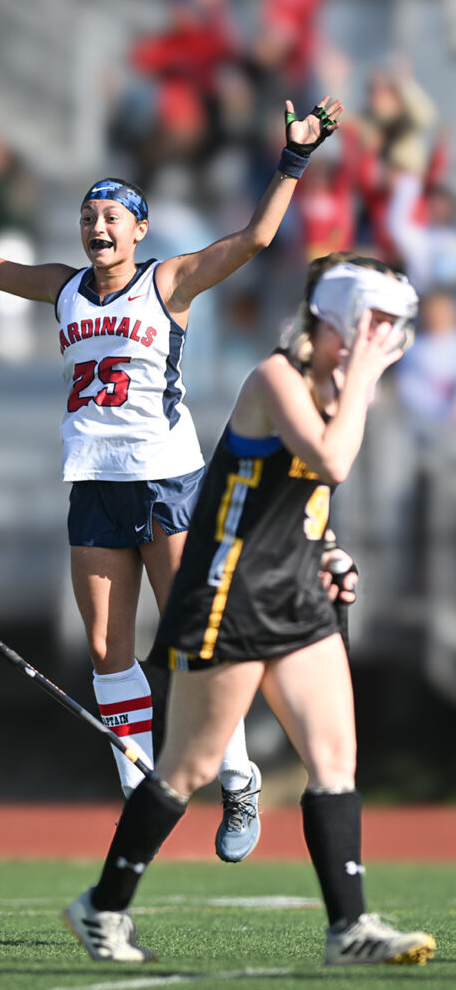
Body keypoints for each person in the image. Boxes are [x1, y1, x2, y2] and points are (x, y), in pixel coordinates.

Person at [0, 95, 342, 860]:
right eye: (87, 216)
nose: (97, 227)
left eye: (111, 216)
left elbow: (258, 236)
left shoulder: (167, 282)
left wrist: (294, 158)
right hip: (92, 480)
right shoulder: (64, 288)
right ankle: (139, 787)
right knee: (107, 645)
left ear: (137, 229)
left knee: (190, 642)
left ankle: (236, 779)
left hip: (166, 479)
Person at [63, 253, 436, 968]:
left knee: (333, 760)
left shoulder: (338, 386)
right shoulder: (276, 377)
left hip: (295, 595)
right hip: (228, 594)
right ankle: (102, 906)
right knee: (188, 766)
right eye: (377, 324)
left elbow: (299, 496)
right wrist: (360, 380)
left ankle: (348, 928)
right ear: (340, 320)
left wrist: (327, 550)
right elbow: (329, 461)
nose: (387, 340)